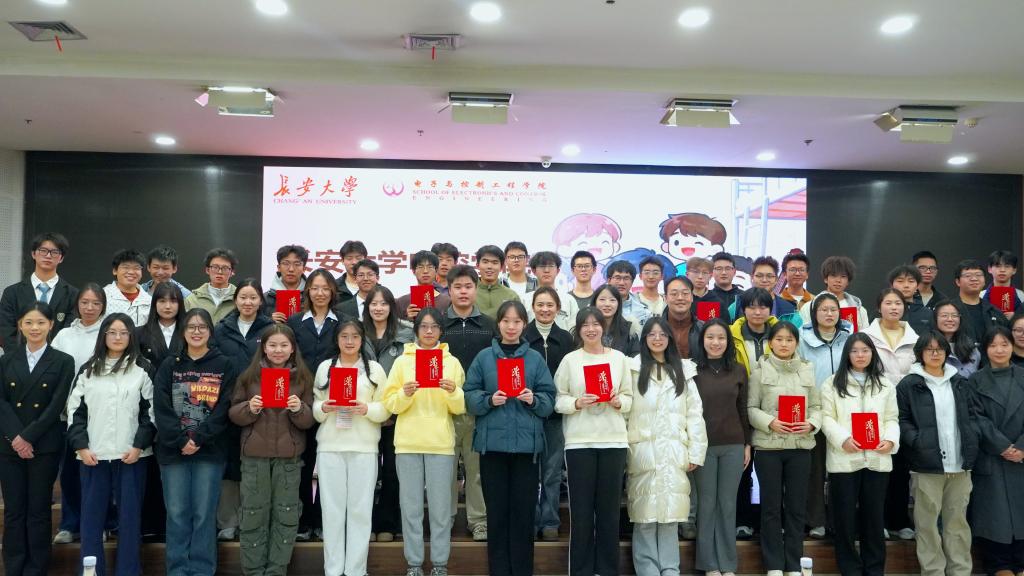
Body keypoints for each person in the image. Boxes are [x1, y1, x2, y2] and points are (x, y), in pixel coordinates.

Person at [465, 300, 556, 576]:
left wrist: (534, 399)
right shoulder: (484, 358)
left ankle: (522, 570)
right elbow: (469, 396)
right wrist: (488, 400)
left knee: (523, 514)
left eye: (517, 321)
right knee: (497, 514)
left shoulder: (534, 359)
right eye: (506, 321)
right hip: (492, 448)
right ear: (499, 324)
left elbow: (549, 400)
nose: (511, 326)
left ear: (524, 325)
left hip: (526, 449)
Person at [66, 313, 155, 576]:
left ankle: (128, 571)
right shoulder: (88, 369)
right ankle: (92, 572)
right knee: (91, 520)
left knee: (130, 520)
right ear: (103, 335)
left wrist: (138, 446)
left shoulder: (143, 368)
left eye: (124, 333)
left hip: (132, 456)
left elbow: (151, 414)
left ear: (131, 337)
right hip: (93, 456)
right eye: (112, 332)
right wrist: (81, 447)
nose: (118, 337)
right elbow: (75, 413)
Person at [152, 308, 238, 576]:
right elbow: (161, 407)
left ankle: (202, 569)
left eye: (202, 327)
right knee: (177, 513)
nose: (196, 332)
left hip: (209, 451)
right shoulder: (170, 365)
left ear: (210, 331)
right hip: (173, 450)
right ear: (183, 332)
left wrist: (199, 437)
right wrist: (180, 440)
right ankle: (177, 569)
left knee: (204, 514)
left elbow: (224, 407)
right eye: (191, 327)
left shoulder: (224, 365)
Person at [382, 307, 467, 576]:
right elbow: (390, 404)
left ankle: (440, 564)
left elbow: (460, 407)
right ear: (416, 330)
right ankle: (414, 563)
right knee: (411, 508)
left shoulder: (451, 362)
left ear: (441, 330)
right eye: (423, 326)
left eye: (434, 327)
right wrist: (404, 394)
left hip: (440, 443)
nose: (429, 331)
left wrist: (453, 392)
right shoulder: (402, 362)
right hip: (407, 443)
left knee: (441, 510)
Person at [228, 323, 315, 575]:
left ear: (292, 348)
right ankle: (254, 571)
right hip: (254, 458)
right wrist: (249, 408)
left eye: (284, 345)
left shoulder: (303, 378)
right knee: (253, 514)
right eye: (273, 345)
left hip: (289, 459)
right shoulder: (249, 377)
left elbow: (309, 420)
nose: (278, 350)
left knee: (286, 515)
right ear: (264, 348)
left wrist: (298, 409)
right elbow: (233, 413)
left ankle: (277, 570)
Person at [554, 307, 633, 576]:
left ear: (603, 327)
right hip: (579, 443)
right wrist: (577, 402)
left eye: (595, 324)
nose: (591, 329)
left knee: (609, 512)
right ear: (578, 330)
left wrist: (619, 402)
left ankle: (607, 570)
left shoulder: (619, 359)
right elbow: (558, 400)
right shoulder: (570, 360)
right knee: (582, 512)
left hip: (614, 442)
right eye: (585, 325)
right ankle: (581, 570)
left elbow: (630, 399)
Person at [0, 303, 76, 575]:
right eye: (29, 322)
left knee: (39, 509)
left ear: (51, 325)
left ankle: (36, 568)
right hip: (9, 446)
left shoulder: (63, 361)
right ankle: (14, 567)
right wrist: (17, 437)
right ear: (20, 325)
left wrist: (28, 437)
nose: (35, 328)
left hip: (43, 445)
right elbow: (2, 402)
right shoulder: (6, 360)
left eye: (41, 322)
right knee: (14, 510)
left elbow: (56, 405)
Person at [628, 316, 707, 576]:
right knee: (645, 516)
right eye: (651, 334)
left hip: (674, 452)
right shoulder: (632, 369)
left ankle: (671, 569)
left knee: (671, 515)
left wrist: (696, 451)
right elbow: (625, 413)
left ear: (670, 339)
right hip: (643, 453)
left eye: (662, 334)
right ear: (644, 339)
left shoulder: (683, 370)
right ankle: (648, 570)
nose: (657, 339)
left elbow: (694, 414)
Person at [897, 331, 978, 576]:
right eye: (929, 349)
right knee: (927, 526)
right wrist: (917, 441)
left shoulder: (959, 382)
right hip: (926, 465)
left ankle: (960, 571)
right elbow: (902, 420)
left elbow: (973, 416)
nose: (935, 353)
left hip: (960, 465)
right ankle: (933, 571)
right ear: (920, 353)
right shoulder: (909, 384)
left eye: (940, 349)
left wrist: (972, 440)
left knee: (957, 524)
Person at [313, 320, 390, 576]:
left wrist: (366, 408)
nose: (349, 341)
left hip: (364, 447)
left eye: (355, 336)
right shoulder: (326, 367)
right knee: (332, 511)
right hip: (330, 446)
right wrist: (324, 407)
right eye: (344, 336)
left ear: (362, 339)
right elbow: (316, 405)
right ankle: (333, 570)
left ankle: (356, 570)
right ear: (336, 339)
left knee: (360, 510)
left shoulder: (374, 369)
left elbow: (385, 408)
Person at [821, 333, 900, 576]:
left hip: (877, 459)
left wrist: (890, 440)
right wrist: (843, 439)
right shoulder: (832, 383)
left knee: (874, 519)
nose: (860, 355)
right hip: (844, 460)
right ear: (847, 354)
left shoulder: (885, 384)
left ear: (872, 354)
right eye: (854, 351)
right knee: (844, 520)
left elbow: (892, 418)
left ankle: (874, 569)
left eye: (865, 350)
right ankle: (850, 570)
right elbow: (826, 418)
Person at [747, 321, 820, 576]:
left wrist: (811, 423)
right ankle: (774, 565)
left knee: (796, 507)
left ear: (797, 343)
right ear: (770, 343)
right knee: (770, 508)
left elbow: (817, 407)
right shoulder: (759, 372)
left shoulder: (808, 370)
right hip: (769, 448)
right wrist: (770, 422)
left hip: (800, 447)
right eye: (779, 339)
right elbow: (750, 409)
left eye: (789, 340)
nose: (784, 344)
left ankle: (793, 564)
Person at [213, 278, 274, 542]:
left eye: (253, 297)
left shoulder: (271, 329)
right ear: (235, 300)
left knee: (256, 465)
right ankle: (228, 522)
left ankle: (253, 521)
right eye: (243, 297)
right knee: (229, 465)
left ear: (260, 301)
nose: (248, 302)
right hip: (228, 406)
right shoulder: (221, 329)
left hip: (262, 408)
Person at [51, 283, 108, 545]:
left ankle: (100, 524)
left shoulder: (109, 333)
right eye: (85, 302)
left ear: (103, 306)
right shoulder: (64, 335)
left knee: (98, 474)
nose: (90, 308)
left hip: (100, 415)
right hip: (67, 415)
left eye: (96, 303)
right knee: (70, 473)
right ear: (77, 304)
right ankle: (69, 524)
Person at [286, 268, 341, 541]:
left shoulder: (343, 322)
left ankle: (322, 519)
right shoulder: (294, 322)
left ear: (333, 291)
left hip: (333, 401)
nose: (320, 293)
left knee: (329, 465)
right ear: (307, 291)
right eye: (315, 288)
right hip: (301, 401)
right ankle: (304, 520)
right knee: (304, 464)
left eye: (325, 288)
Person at [693, 318, 750, 576]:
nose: (715, 342)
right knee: (707, 504)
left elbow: (742, 408)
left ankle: (727, 564)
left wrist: (747, 444)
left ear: (728, 342)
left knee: (727, 504)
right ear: (702, 340)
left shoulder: (738, 370)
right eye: (710, 337)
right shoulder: (692, 370)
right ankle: (709, 565)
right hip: (703, 446)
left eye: (721, 338)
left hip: (734, 444)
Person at [968, 325, 1024, 576]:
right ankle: (999, 565)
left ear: (1013, 346)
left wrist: (1021, 447)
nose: (999, 350)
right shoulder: (975, 381)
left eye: (1004, 344)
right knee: (995, 517)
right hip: (991, 456)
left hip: (1021, 457)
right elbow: (975, 418)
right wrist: (1002, 446)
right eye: (993, 345)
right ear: (985, 349)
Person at [863, 288, 918, 540]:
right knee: (876, 467)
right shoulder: (866, 336)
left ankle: (899, 520)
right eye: (888, 303)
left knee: (901, 468)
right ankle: (878, 522)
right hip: (876, 408)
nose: (894, 307)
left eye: (898, 303)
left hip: (907, 410)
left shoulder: (915, 338)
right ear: (879, 307)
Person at [796, 292, 853, 538]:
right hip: (815, 410)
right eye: (823, 310)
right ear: (814, 313)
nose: (829, 314)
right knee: (815, 469)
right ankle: (816, 520)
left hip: (844, 411)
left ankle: (841, 519)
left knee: (842, 469)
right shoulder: (802, 338)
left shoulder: (850, 337)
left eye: (833, 309)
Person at [361, 285, 414, 542]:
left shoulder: (407, 333)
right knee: (368, 472)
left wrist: (392, 409)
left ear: (392, 307)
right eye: (374, 303)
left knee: (393, 471)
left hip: (397, 414)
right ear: (367, 307)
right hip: (365, 413)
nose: (378, 308)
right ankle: (367, 524)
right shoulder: (357, 332)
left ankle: (389, 524)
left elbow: (411, 371)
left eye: (384, 303)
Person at [133, 280, 185, 542]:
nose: (167, 306)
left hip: (182, 406)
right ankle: (150, 525)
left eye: (173, 301)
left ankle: (172, 526)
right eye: (162, 301)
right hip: (146, 406)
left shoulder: (190, 330)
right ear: (154, 304)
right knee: (151, 467)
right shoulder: (140, 333)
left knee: (177, 470)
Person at [524, 287, 575, 542]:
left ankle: (550, 521)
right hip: (527, 414)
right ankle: (530, 520)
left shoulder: (566, 339)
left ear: (558, 308)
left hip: (556, 416)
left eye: (550, 305)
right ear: (532, 307)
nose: (545, 309)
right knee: (529, 471)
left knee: (552, 471)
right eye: (540, 304)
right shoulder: (523, 336)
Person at [0, 232, 78, 352]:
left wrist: (53, 359)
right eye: (43, 250)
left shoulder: (73, 294)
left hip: (57, 359)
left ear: (61, 258)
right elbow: (6, 331)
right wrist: (22, 358)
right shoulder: (12, 293)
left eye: (54, 252)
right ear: (33, 254)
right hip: (18, 359)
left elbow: (70, 333)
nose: (48, 256)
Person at [797, 256, 869, 332]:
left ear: (848, 281)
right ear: (825, 279)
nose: (838, 280)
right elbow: (802, 334)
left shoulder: (859, 310)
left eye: (843, 276)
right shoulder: (809, 307)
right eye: (834, 276)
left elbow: (864, 337)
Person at [728, 256, 799, 325]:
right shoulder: (736, 306)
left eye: (769, 276)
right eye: (759, 276)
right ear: (752, 277)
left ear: (776, 280)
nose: (764, 280)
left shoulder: (790, 310)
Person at [951, 259, 1007, 344]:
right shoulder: (949, 309)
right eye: (968, 276)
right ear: (958, 282)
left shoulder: (994, 311)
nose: (974, 279)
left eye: (978, 275)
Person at [524, 251, 578, 331]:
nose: (546, 270)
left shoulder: (569, 300)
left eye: (551, 266)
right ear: (534, 271)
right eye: (542, 266)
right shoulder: (525, 300)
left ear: (558, 271)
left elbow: (574, 329)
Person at [731, 288, 779, 374]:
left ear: (770, 310)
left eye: (762, 307)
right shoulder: (731, 335)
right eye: (752, 308)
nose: (757, 312)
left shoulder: (781, 334)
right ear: (744, 310)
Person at [185, 248, 239, 324]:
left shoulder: (240, 299)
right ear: (207, 270)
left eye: (225, 268)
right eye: (215, 267)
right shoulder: (192, 300)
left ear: (232, 272)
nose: (219, 272)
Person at [396, 251, 452, 322]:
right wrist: (408, 319)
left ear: (436, 270)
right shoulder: (401, 302)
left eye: (430, 267)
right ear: (413, 271)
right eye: (420, 267)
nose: (425, 271)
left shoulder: (447, 301)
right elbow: (396, 327)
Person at [932, 300, 981, 377]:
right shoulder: (928, 347)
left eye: (954, 315)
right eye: (944, 315)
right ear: (935, 319)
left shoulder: (971, 349)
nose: (950, 319)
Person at [104, 249, 153, 326]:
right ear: (115, 271)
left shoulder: (149, 300)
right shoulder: (103, 296)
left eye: (136, 268)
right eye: (125, 267)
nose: (131, 272)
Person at [591, 284, 641, 356]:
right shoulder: (586, 328)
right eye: (602, 299)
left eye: (612, 300)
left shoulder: (629, 330)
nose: (607, 304)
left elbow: (635, 356)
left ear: (618, 304)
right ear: (595, 302)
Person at [475, 245, 521, 320]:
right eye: (485, 262)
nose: (489, 266)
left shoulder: (511, 296)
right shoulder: (467, 293)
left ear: (501, 267)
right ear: (477, 265)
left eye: (495, 262)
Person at [263, 244, 308, 319]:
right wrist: (269, 321)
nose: (291, 269)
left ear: (304, 269)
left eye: (297, 264)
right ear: (279, 267)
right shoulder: (265, 298)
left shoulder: (311, 296)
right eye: (286, 264)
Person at [663, 276, 701, 360]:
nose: (680, 298)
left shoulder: (702, 329)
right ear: (665, 298)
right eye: (674, 294)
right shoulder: (655, 329)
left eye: (685, 293)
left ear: (692, 297)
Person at [889, 264, 932, 335]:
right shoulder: (883, 313)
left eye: (911, 281)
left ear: (917, 286)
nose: (906, 285)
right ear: (891, 285)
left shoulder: (929, 314)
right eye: (900, 281)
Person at [605, 260, 651, 326]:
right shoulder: (597, 306)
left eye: (626, 278)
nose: (621, 283)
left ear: (632, 282)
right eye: (618, 278)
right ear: (609, 280)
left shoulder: (644, 313)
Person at [985, 250, 1024, 319]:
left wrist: (1016, 317)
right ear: (989, 269)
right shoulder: (980, 295)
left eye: (1007, 266)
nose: (1002, 270)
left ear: (1014, 270)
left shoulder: (1021, 296)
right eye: (998, 266)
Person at [686, 257, 726, 322]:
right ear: (687, 274)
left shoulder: (716, 302)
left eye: (704, 273)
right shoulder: (681, 299)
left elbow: (724, 326)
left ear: (710, 276)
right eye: (696, 272)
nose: (700, 277)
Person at [335, 240, 369, 304]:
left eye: (358, 258)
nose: (354, 262)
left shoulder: (375, 288)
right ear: (342, 261)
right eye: (349, 258)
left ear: (365, 259)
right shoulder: (334, 287)